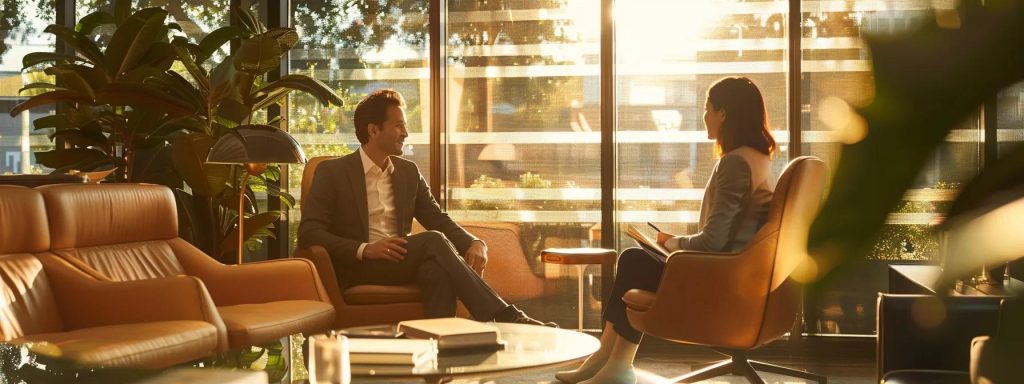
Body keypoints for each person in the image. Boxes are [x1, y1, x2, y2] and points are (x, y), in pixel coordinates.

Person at [556, 77, 777, 384]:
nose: (704, 116)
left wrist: (671, 243)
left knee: (634, 259)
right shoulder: (760, 160)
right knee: (637, 259)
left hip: (722, 279)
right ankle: (610, 360)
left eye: (707, 108)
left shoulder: (735, 164)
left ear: (723, 114)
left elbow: (713, 242)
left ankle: (613, 362)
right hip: (739, 274)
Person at [298, 89, 553, 327]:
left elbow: (436, 218)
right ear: (374, 130)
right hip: (359, 267)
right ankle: (506, 316)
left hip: (401, 263)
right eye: (399, 125)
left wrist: (473, 242)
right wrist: (365, 250)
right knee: (433, 241)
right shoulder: (332, 172)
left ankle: (441, 349)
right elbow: (309, 232)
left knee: (436, 271)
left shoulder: (407, 172)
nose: (406, 133)